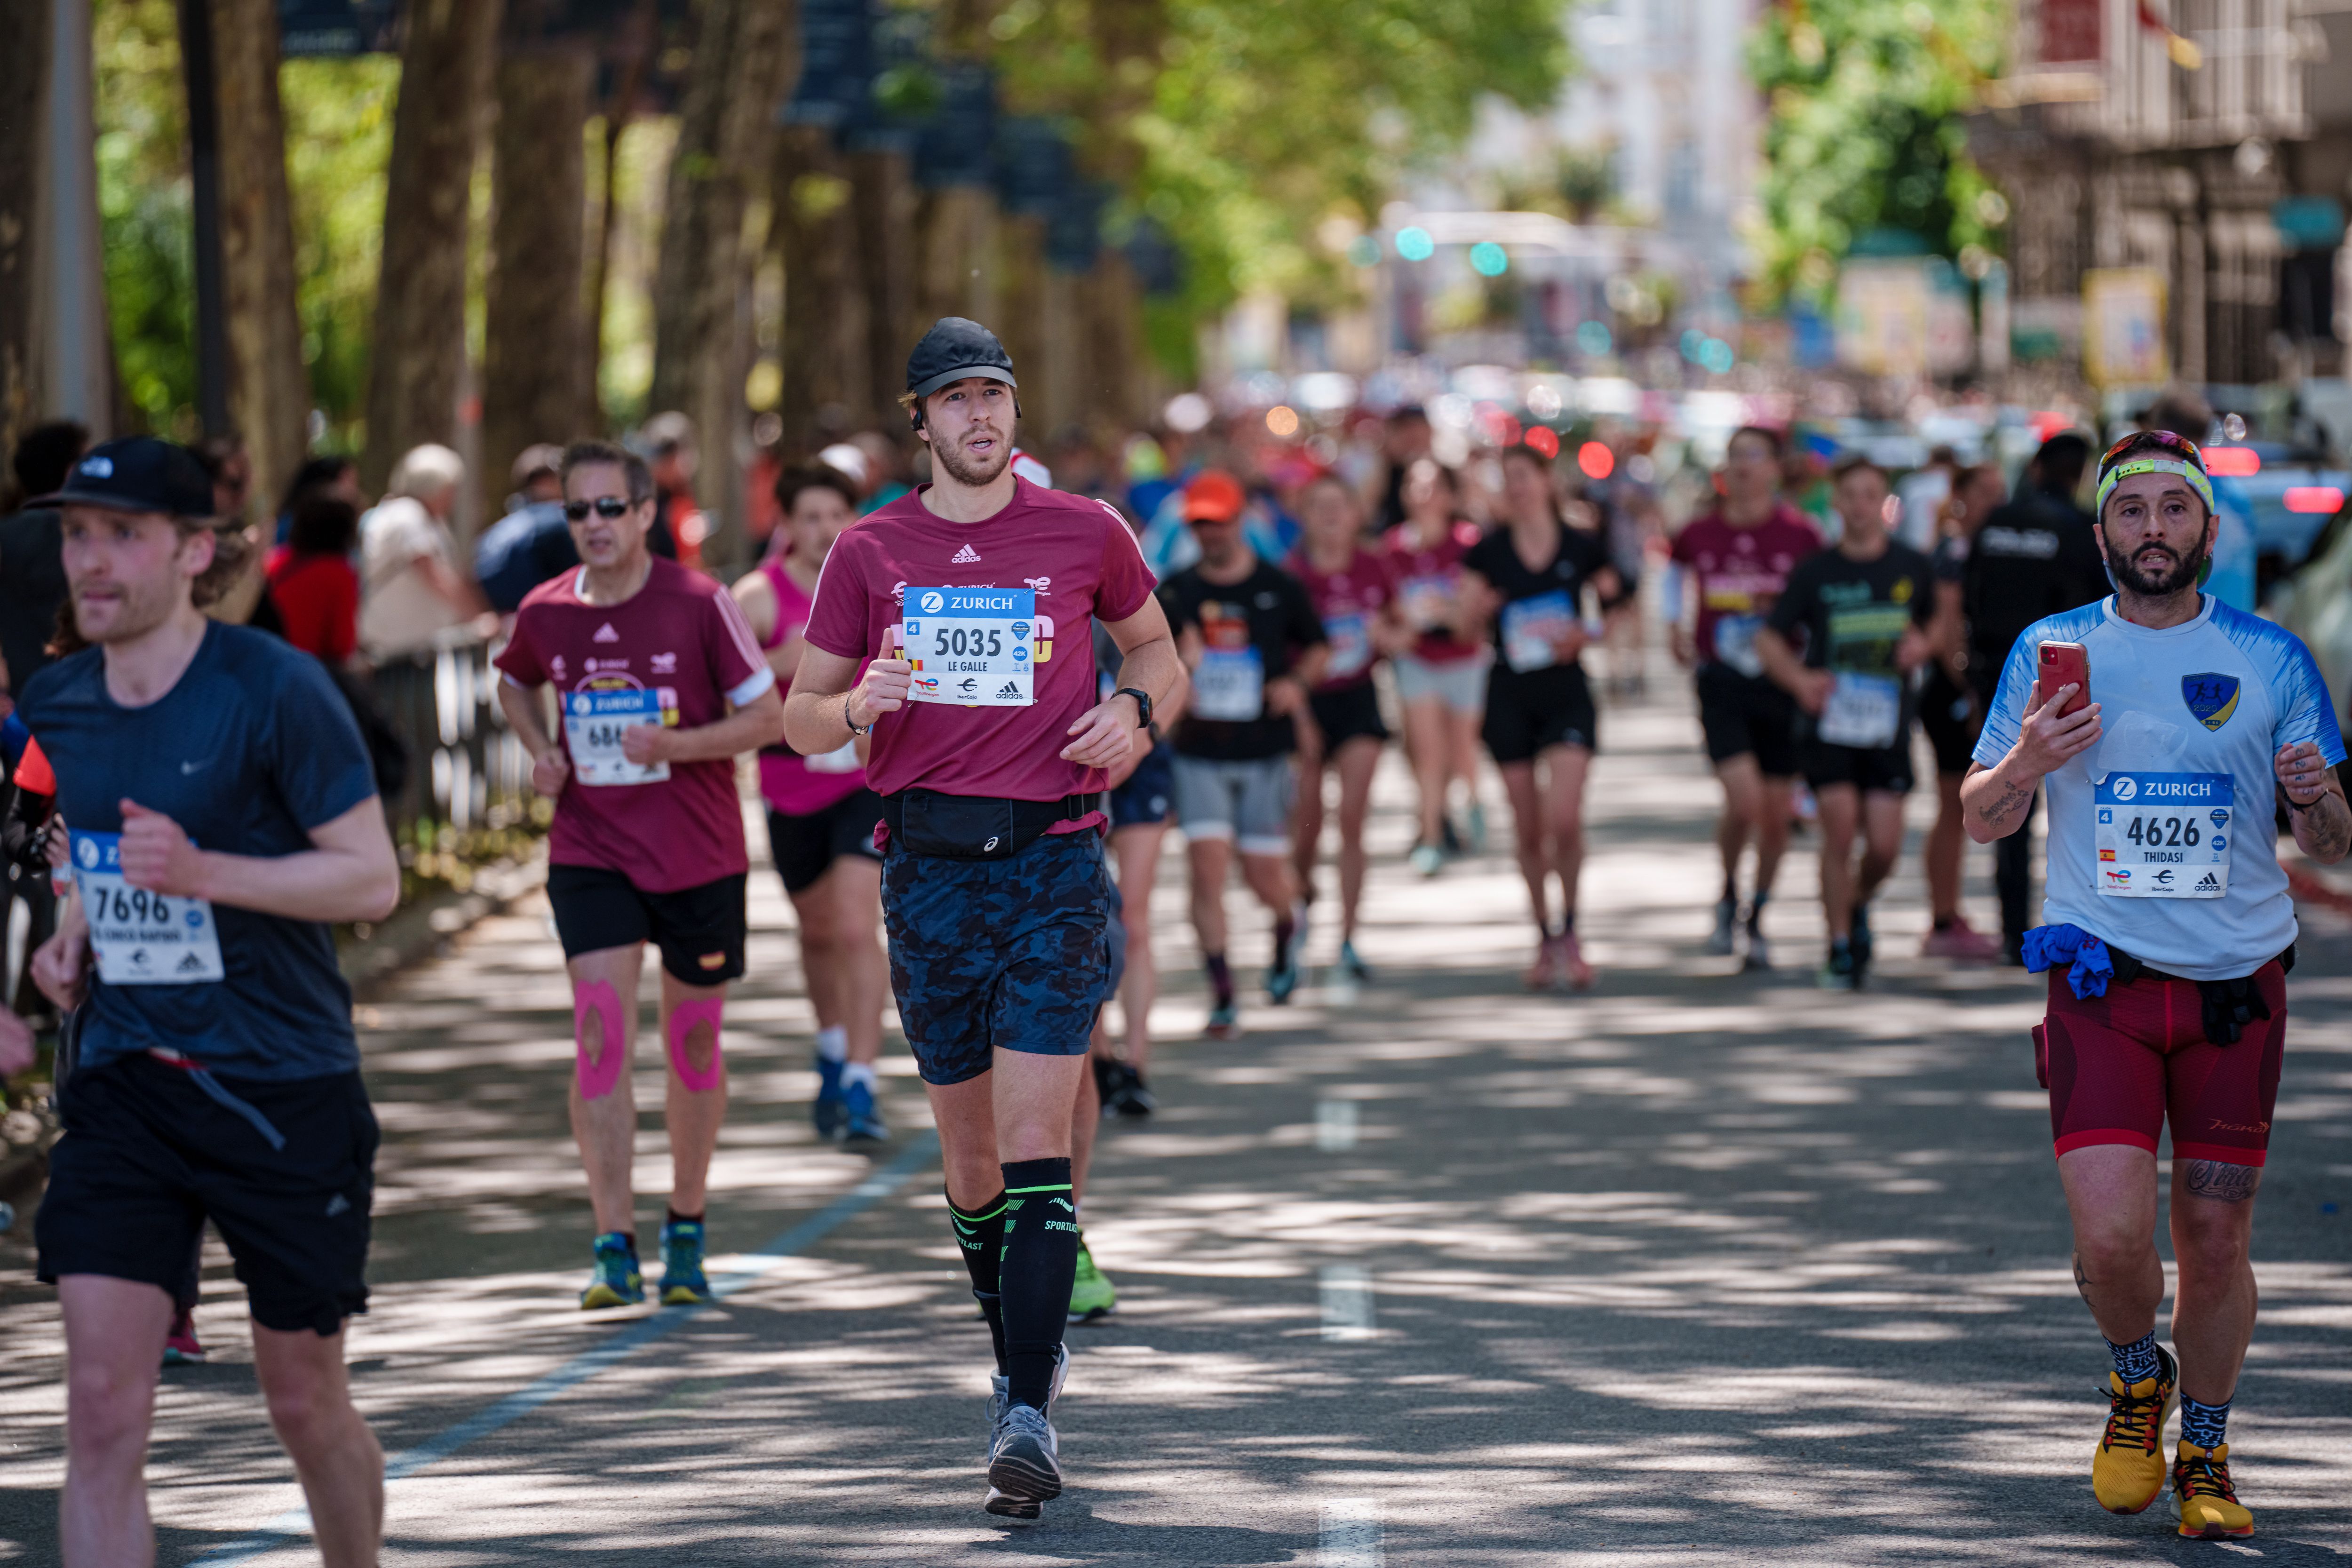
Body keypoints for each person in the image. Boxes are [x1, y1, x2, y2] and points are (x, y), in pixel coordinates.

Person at [783, 316, 1179, 1518]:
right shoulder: (870, 549)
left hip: (1055, 864)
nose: (980, 416)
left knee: (1035, 1147)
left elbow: (1158, 648)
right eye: (955, 399)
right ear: (920, 422)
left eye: (995, 394)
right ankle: (1021, 1347)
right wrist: (857, 701)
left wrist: (1136, 716)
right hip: (930, 871)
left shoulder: (1083, 529)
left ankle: (1024, 1408)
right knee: (968, 1170)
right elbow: (799, 719)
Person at [21, 435, 402, 1568]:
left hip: (280, 1082)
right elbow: (101, 850)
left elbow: (371, 879)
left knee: (302, 1399)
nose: (90, 561)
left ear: (195, 552)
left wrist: (205, 876)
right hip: (127, 1082)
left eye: (122, 536)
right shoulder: (61, 699)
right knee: (99, 1408)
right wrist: (73, 936)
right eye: (77, 535)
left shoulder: (273, 688)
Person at [1962, 430, 2349, 1540]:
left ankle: (2208, 1457)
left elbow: (2332, 839)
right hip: (2101, 982)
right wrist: (2030, 760)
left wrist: (2315, 795)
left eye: (2174, 511)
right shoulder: (2050, 650)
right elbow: (1980, 811)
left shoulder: (2272, 658)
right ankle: (2140, 1378)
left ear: (2207, 534)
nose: (2153, 532)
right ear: (2101, 536)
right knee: (2110, 1243)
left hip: (2235, 987)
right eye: (2132, 515)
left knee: (2217, 1239)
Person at [493, 441, 787, 1310]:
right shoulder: (547, 610)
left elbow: (767, 716)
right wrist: (543, 750)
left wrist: (675, 746)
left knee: (692, 1043)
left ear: (646, 514)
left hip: (697, 855)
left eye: (609, 508)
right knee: (599, 1033)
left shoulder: (700, 604)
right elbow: (511, 681)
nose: (592, 525)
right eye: (576, 512)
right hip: (592, 848)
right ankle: (612, 1242)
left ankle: (685, 1226)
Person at [731, 464, 889, 1144]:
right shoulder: (758, 597)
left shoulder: (878, 584)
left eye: (836, 515)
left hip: (862, 783)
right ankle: (830, 1045)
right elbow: (722, 688)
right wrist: (785, 659)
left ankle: (862, 1077)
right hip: (791, 790)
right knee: (819, 931)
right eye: (810, 517)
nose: (824, 529)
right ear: (786, 524)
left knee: (857, 927)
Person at [1159, 469, 1329, 1034]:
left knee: (1262, 877)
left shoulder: (1279, 587)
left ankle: (1286, 922)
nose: (1210, 534)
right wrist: (1180, 668)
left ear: (1240, 521)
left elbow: (1319, 648)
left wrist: (1297, 685)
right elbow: (1149, 657)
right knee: (1205, 870)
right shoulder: (1177, 591)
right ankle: (1223, 991)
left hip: (1263, 750)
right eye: (1199, 525)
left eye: (1218, 522)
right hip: (1199, 751)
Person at [1758, 455, 1936, 990]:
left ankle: (1856, 901)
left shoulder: (1910, 565)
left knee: (1882, 846)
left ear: (1884, 504)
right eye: (1850, 495)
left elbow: (1937, 618)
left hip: (1886, 728)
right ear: (1835, 503)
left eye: (1869, 495)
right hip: (1830, 726)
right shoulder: (1816, 571)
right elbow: (1769, 638)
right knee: (1837, 832)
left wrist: (1921, 645)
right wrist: (1798, 681)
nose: (1859, 506)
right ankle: (1838, 945)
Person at [1463, 441, 1624, 992]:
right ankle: (1543, 935)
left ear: (1545, 481)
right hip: (1508, 694)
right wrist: (1473, 612)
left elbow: (1616, 603)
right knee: (1529, 829)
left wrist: (1590, 633)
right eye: (1506, 478)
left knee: (1563, 819)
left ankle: (1573, 927)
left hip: (1565, 692)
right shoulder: (1486, 553)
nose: (1515, 487)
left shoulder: (1580, 546)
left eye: (1523, 476)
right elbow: (1464, 629)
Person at [1668, 424, 1821, 970]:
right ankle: (1727, 891)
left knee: (1776, 817)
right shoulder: (1699, 532)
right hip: (1722, 680)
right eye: (1733, 456)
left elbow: (1819, 601)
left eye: (1753, 457)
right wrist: (1673, 625)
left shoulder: (1801, 535)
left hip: (1780, 680)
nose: (1742, 467)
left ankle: (1755, 914)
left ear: (1775, 469)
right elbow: (1675, 569)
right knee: (1743, 802)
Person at [1963, 433, 2108, 963]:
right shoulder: (2073, 529)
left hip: (1994, 676)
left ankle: (2010, 936)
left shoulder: (1995, 522)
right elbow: (2099, 611)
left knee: (2009, 794)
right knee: (2079, 799)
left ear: (2037, 467)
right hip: (2064, 682)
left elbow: (1968, 596)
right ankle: (2088, 920)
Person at [1288, 472, 1402, 983]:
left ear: (1356, 515)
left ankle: (1349, 938)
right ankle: (1300, 908)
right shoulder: (1290, 574)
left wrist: (1387, 636)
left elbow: (1403, 628)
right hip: (1305, 705)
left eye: (1341, 506)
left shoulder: (1373, 566)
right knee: (1306, 826)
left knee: (1352, 818)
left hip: (1357, 702)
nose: (1332, 516)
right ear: (1305, 517)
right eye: (1321, 507)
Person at [1090, 563, 1187, 1118]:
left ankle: (1137, 1063)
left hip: (1135, 766)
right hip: (1080, 773)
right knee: (1084, 914)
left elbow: (1179, 675)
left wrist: (1143, 738)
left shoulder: (1122, 598)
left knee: (1133, 917)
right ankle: (1101, 1062)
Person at [1919, 462, 2008, 961]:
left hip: (1960, 691)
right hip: (1948, 693)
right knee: (1953, 808)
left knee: (1955, 808)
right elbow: (1947, 626)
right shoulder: (1955, 550)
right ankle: (1942, 917)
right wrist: (1968, 691)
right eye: (1985, 494)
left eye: (2001, 494)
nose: (1995, 504)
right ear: (1960, 497)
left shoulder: (1976, 547)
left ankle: (1947, 913)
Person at [1385, 458, 1488, 875]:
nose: (1423, 494)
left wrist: (1457, 615)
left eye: (1432, 486)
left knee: (1462, 749)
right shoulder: (1392, 547)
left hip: (1465, 659)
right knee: (1427, 751)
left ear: (1449, 496)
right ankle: (1429, 836)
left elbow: (1477, 608)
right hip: (1418, 659)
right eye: (1414, 484)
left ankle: (1473, 798)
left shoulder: (1469, 543)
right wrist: (1398, 629)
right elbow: (1386, 605)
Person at [360, 444, 482, 661]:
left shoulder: (393, 513)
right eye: (450, 490)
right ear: (434, 488)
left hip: (397, 647)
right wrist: (477, 620)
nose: (452, 499)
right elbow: (433, 574)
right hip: (403, 654)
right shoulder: (410, 516)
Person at [475, 444, 582, 615]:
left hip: (506, 625)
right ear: (549, 481)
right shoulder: (559, 522)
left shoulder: (495, 531)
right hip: (547, 622)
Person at [267, 497, 363, 666]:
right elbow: (342, 646)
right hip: (306, 671)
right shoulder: (340, 573)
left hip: (269, 662)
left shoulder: (274, 561)